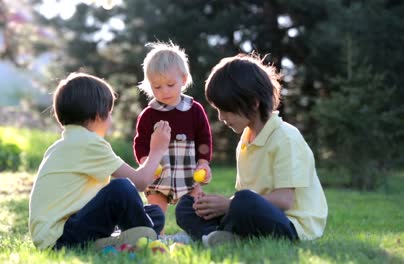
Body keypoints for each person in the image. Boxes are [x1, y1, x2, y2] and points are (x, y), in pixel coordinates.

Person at [175, 53, 328, 247]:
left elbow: (284, 200)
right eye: (218, 110)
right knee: (188, 206)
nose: (221, 117)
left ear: (253, 103)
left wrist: (229, 204)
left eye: (226, 110)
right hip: (253, 215)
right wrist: (218, 205)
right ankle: (217, 237)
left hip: (291, 226)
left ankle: (216, 235)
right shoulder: (246, 141)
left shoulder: (286, 138)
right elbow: (246, 201)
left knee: (244, 200)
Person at [29, 72, 171, 250]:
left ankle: (113, 242)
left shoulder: (65, 143)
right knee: (122, 188)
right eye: (110, 113)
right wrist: (157, 149)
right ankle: (147, 242)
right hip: (63, 239)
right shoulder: (89, 143)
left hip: (61, 234)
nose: (111, 120)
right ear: (98, 115)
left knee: (154, 213)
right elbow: (140, 182)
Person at [133, 42, 213, 232]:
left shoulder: (194, 110)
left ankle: (202, 234)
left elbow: (204, 138)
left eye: (170, 84)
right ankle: (155, 237)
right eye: (157, 87)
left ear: (183, 80)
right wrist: (146, 161)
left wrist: (203, 162)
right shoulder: (149, 114)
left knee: (196, 207)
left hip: (188, 171)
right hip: (159, 173)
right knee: (155, 210)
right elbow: (141, 141)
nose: (164, 91)